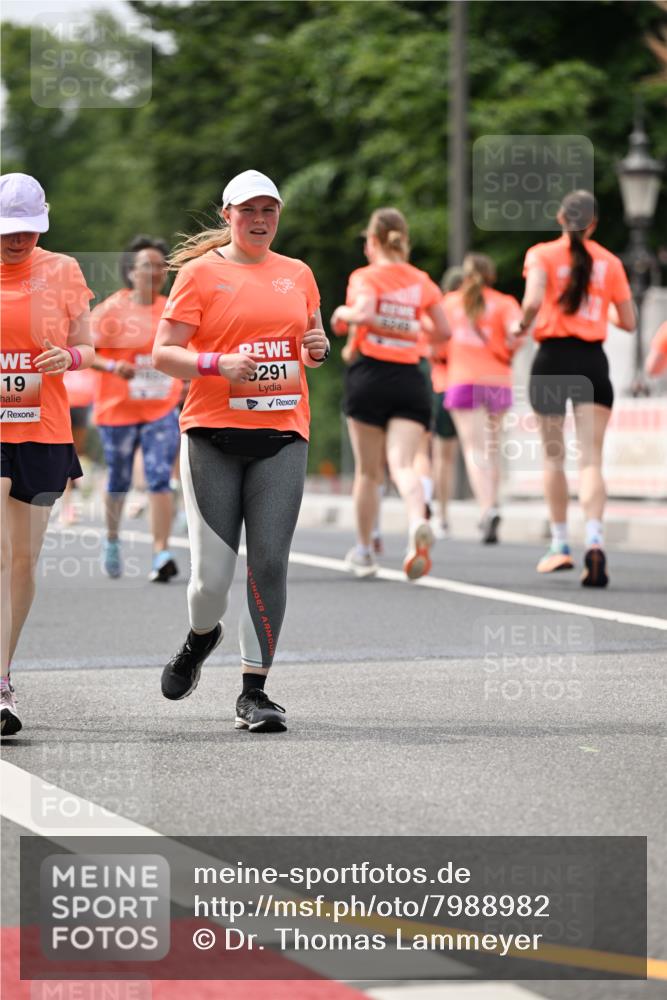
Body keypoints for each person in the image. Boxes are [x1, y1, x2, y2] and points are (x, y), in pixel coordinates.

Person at [152, 169, 328, 733]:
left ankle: (255, 691)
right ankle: (201, 637)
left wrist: (318, 348)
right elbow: (163, 353)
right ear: (227, 215)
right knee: (210, 580)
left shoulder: (298, 274)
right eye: (248, 210)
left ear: (278, 216)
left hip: (283, 435)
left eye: (268, 210)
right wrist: (216, 363)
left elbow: (311, 343)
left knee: (269, 563)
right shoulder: (202, 274)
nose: (259, 220)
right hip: (212, 436)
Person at [0, 173, 94, 735]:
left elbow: (87, 344)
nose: (18, 240)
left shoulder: (63, 270)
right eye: (8, 230)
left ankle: (3, 673)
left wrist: (69, 359)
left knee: (22, 561)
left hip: (43, 429)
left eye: (28, 230)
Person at [517, 189, 635, 586]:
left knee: (554, 458)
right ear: (594, 224)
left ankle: (559, 544)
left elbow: (532, 302)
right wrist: (599, 313)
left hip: (552, 359)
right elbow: (630, 321)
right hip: (591, 361)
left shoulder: (542, 255)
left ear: (559, 218)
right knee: (591, 460)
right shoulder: (610, 262)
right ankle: (596, 541)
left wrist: (521, 325)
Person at [331, 207, 449, 579]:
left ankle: (364, 552)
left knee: (368, 473)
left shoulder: (366, 276)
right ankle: (417, 521)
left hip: (370, 375)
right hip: (410, 379)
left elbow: (364, 313)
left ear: (372, 241)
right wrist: (411, 327)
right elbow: (443, 331)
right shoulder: (421, 280)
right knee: (403, 465)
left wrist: (342, 313)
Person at [91, 235, 182, 582]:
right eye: (147, 266)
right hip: (118, 409)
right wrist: (113, 366)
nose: (155, 272)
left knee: (160, 476)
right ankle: (112, 539)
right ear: (131, 271)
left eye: (161, 266)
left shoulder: (172, 309)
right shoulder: (111, 310)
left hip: (160, 407)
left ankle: (161, 553)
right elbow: (83, 351)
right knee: (119, 478)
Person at [441, 254, 523, 544]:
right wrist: (507, 353)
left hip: (464, 379)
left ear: (465, 275)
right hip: (498, 379)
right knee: (492, 447)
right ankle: (493, 504)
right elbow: (518, 334)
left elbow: (435, 337)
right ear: (491, 275)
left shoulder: (451, 303)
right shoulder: (505, 303)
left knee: (474, 448)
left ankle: (487, 509)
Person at [428, 265, 463, 538]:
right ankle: (489, 507)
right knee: (480, 451)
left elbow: (433, 348)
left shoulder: (443, 306)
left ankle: (441, 515)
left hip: (444, 382)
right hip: (486, 382)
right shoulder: (488, 303)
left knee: (442, 456)